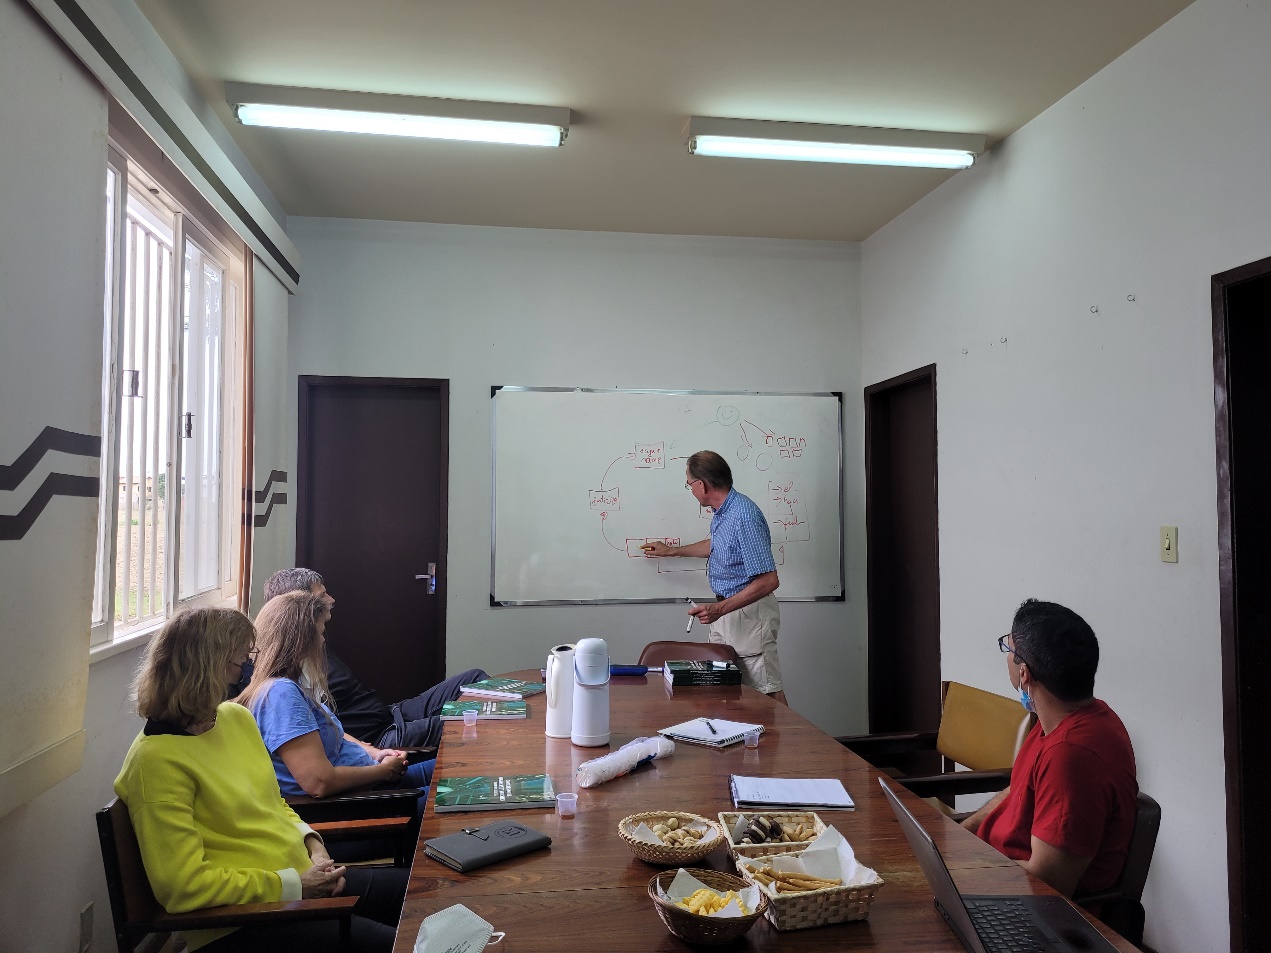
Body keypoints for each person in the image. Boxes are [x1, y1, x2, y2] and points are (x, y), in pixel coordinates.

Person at [113, 606, 405, 953]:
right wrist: (294, 886)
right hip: (244, 922)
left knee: (426, 891)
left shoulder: (234, 718)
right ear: (208, 669)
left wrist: (314, 847)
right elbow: (184, 888)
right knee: (406, 942)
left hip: (303, 880)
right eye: (240, 662)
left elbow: (274, 803)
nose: (246, 673)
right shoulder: (155, 762)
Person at [960, 599, 1138, 899]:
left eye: (1008, 649)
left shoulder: (1071, 756)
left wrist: (966, 874)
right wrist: (958, 835)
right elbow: (1018, 791)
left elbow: (1048, 883)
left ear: (1024, 674)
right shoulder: (1059, 721)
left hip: (1029, 907)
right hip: (994, 876)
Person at [246, 567, 487, 750]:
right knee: (478, 722)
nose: (331, 600)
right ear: (300, 603)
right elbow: (324, 732)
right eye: (322, 595)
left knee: (475, 678)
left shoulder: (313, 642)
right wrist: (368, 752)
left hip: (390, 715)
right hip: (380, 737)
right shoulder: (291, 669)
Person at [237, 590, 434, 799]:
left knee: (457, 768)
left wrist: (375, 754)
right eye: (320, 633)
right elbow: (319, 783)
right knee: (457, 786)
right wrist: (384, 771)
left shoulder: (286, 684)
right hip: (362, 800)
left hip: (372, 780)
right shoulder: (280, 694)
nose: (322, 641)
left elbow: (326, 731)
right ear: (302, 640)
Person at [641, 449, 786, 704]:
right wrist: (671, 551)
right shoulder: (723, 512)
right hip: (726, 611)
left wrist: (719, 609)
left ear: (702, 485)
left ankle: (787, 733)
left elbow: (769, 580)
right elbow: (716, 545)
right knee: (724, 689)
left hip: (748, 615)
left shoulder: (744, 516)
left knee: (765, 691)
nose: (690, 490)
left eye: (689, 484)